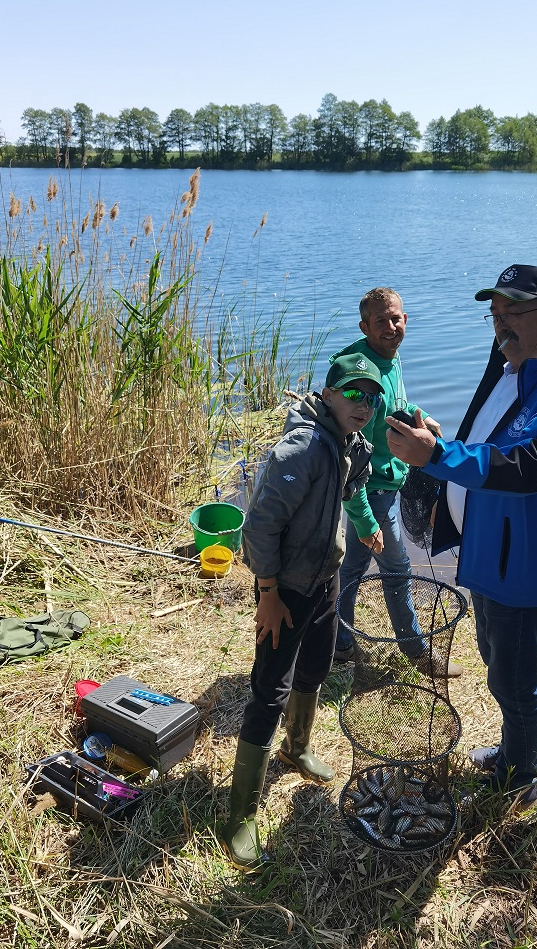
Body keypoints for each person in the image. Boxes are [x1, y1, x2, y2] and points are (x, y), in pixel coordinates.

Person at [386, 264, 537, 805]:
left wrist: (438, 457)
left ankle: (522, 775)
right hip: (487, 554)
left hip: (524, 567)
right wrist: (439, 441)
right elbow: (484, 440)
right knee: (494, 659)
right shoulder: (510, 363)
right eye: (495, 313)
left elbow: (528, 465)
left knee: (512, 679)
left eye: (514, 312)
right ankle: (516, 752)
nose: (500, 324)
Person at [222, 352, 382, 871]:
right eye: (355, 393)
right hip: (285, 587)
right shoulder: (302, 450)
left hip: (324, 578)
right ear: (329, 394)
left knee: (315, 667)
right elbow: (258, 528)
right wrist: (266, 592)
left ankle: (296, 748)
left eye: (373, 395)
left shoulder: (347, 442)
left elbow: (354, 487)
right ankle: (239, 814)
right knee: (270, 688)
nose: (365, 404)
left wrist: (364, 519)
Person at [330, 287, 462, 678]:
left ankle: (337, 642)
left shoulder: (389, 357)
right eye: (381, 321)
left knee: (352, 566)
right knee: (398, 570)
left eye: (397, 318)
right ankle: (418, 653)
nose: (391, 327)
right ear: (364, 326)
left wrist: (419, 415)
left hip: (387, 482)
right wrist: (365, 517)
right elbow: (345, 455)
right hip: (370, 491)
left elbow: (392, 403)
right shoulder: (356, 371)